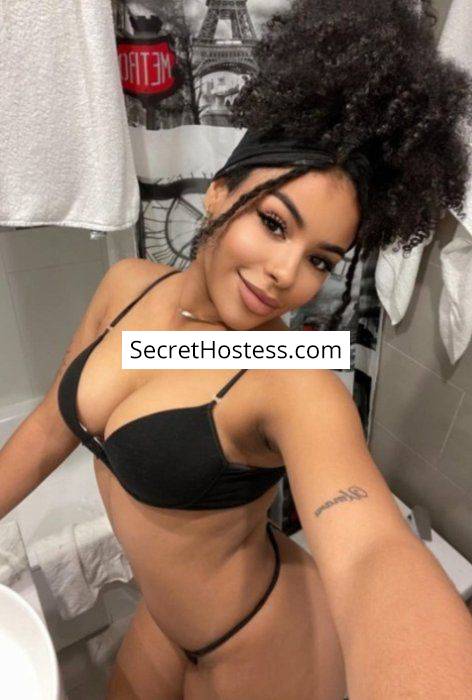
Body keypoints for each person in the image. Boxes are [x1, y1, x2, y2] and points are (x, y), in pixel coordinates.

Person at [2, 1, 472, 698]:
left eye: (320, 260)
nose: (287, 274)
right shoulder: (126, 285)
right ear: (220, 194)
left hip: (261, 648)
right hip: (163, 624)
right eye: (276, 224)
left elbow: (372, 548)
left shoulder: (291, 375)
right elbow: (47, 429)